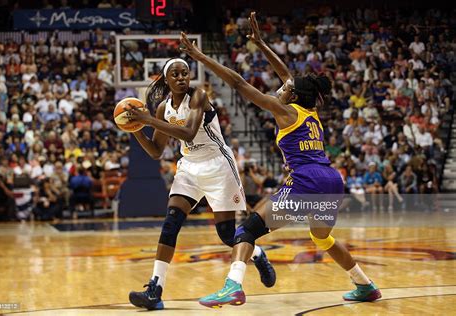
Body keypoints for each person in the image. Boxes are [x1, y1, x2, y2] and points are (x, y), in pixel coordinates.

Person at [179, 12, 381, 308]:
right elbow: (287, 74)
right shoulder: (309, 112)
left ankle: (232, 287)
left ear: (293, 95)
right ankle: (365, 285)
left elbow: (237, 82)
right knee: (323, 238)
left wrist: (200, 55)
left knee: (247, 230)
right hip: (331, 180)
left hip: (307, 180)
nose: (280, 88)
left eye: (285, 88)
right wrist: (260, 44)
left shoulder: (285, 111)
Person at [124, 57, 276, 310]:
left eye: (185, 73)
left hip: (218, 165)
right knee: (171, 223)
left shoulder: (198, 96)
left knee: (228, 234)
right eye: (176, 74)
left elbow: (188, 133)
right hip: (190, 167)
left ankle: (258, 254)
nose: (182, 78)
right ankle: (155, 289)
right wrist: (136, 127)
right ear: (166, 79)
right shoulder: (163, 108)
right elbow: (155, 151)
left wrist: (148, 120)